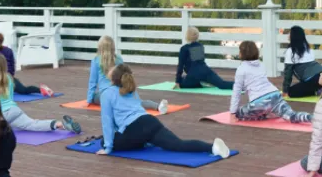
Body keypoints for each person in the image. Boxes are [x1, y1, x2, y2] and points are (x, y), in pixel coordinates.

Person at [96, 63, 230, 158]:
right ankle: (212, 147)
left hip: (134, 129)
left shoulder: (107, 93)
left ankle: (140, 141)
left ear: (113, 77)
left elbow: (107, 121)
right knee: (178, 144)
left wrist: (107, 147)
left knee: (103, 141)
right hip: (150, 121)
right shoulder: (130, 88)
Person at [0, 52, 81, 134]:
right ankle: (59, 124)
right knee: (33, 124)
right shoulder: (9, 78)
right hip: (14, 111)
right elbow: (10, 97)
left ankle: (1, 127)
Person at [230, 41, 312, 123]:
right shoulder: (261, 65)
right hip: (275, 95)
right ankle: (311, 117)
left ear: (241, 53)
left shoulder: (241, 69)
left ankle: (265, 113)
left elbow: (236, 92)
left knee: (239, 113)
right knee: (292, 115)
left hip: (259, 103)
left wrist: (233, 113)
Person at [87, 35, 169, 114]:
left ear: (100, 47)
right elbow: (124, 76)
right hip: (119, 91)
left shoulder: (96, 60)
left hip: (105, 94)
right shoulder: (118, 59)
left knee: (96, 97)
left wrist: (89, 99)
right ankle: (158, 106)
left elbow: (92, 82)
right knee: (136, 102)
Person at [0, 33, 54, 97]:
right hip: (5, 78)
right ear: (2, 41)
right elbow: (12, 67)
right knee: (24, 90)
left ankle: (41, 90)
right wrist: (10, 78)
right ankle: (41, 90)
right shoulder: (8, 51)